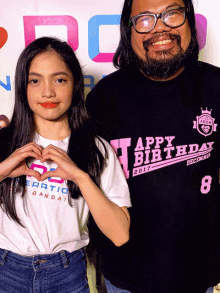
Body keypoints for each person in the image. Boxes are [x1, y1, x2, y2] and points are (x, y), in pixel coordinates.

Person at [86, 0, 220, 292]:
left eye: (172, 14)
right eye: (145, 19)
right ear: (128, 31)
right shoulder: (104, 97)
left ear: (189, 22)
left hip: (199, 276)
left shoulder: (216, 85)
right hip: (123, 277)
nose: (160, 28)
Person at [0, 36, 131, 293]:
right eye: (35, 80)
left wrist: (80, 177)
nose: (48, 92)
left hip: (68, 275)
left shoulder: (97, 149)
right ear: (22, 86)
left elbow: (120, 234)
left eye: (59, 79)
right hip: (7, 272)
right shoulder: (5, 141)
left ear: (75, 85)